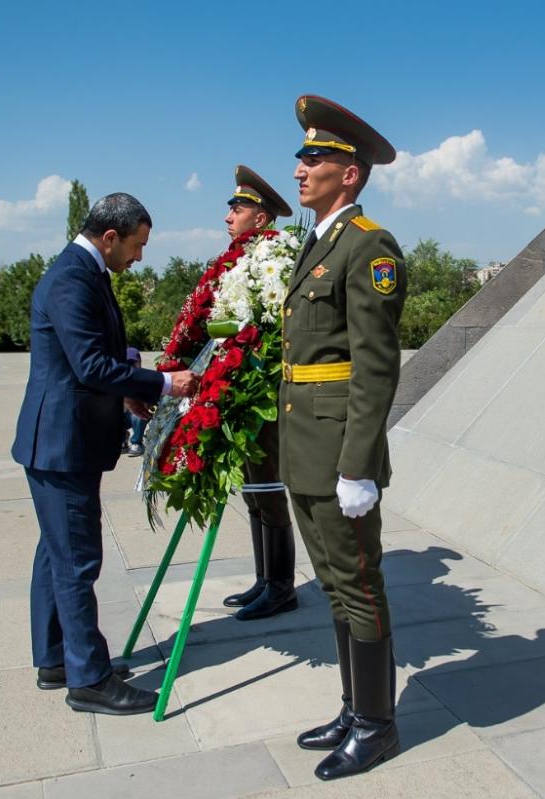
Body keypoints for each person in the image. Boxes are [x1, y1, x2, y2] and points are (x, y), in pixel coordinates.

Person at [11, 193, 197, 716]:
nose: (139, 256)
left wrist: (129, 389)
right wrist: (163, 383)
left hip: (61, 441)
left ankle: (56, 659)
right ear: (109, 237)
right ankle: (89, 679)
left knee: (55, 553)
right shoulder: (73, 278)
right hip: (62, 444)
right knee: (76, 560)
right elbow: (91, 365)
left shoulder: (83, 272)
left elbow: (97, 356)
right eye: (136, 245)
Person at [278, 95, 406, 779]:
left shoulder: (368, 247)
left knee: (359, 584)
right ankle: (354, 705)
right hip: (306, 444)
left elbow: (375, 365)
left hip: (338, 451)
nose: (299, 169)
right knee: (332, 582)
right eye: (301, 157)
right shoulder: (320, 242)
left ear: (348, 173)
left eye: (314, 158)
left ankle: (379, 726)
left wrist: (357, 465)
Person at [217, 165, 301, 621]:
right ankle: (264, 579)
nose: (230, 216)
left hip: (265, 391)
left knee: (268, 484)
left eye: (239, 207)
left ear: (262, 218)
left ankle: (283, 586)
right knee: (252, 486)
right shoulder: (237, 258)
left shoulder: (277, 254)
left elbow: (275, 320)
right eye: (230, 207)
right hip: (240, 387)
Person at [122, 347, 147, 457]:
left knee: (138, 414)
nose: (131, 366)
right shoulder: (117, 380)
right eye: (128, 363)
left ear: (139, 363)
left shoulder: (145, 379)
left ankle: (137, 443)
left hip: (138, 415)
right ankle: (122, 439)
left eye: (133, 363)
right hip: (122, 416)